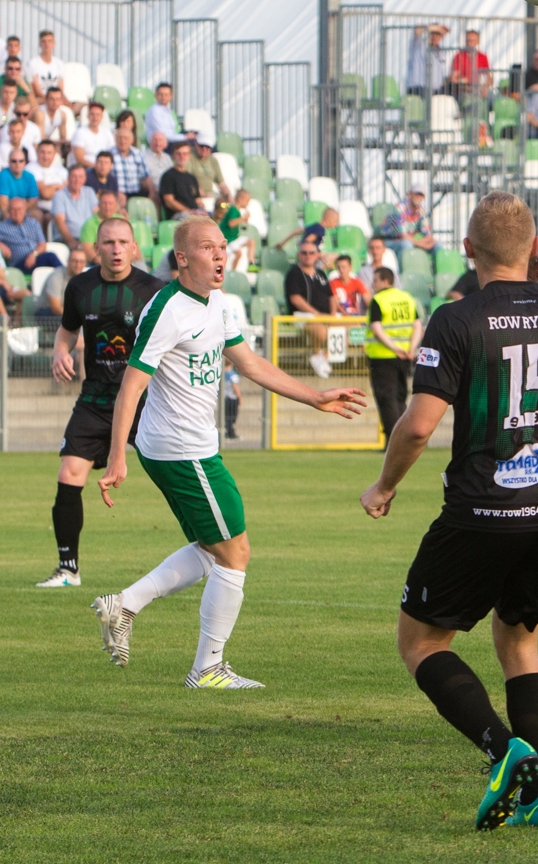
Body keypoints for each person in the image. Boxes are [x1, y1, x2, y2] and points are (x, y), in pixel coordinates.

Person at [357, 191, 538, 828]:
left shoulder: (455, 319)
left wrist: (384, 485)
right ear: (537, 250)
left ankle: (503, 750)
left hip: (481, 508)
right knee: (519, 642)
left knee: (423, 642)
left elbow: (419, 426)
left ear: (468, 250)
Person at [91, 217, 367, 685]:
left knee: (211, 546)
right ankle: (208, 668)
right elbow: (131, 386)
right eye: (207, 248)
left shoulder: (216, 303)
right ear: (182, 258)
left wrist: (314, 396)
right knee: (235, 552)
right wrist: (117, 455)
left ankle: (126, 604)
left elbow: (250, 363)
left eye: (222, 247)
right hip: (181, 449)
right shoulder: (167, 308)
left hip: (186, 446)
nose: (220, 256)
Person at [30, 218, 167, 587]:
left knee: (175, 473)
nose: (117, 249)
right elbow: (67, 331)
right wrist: (60, 353)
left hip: (143, 400)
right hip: (94, 399)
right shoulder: (80, 286)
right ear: (96, 249)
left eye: (124, 242)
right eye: (109, 242)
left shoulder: (154, 291)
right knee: (69, 474)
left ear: (135, 248)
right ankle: (68, 569)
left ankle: (209, 550)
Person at [364, 266, 421, 444]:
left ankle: (394, 441)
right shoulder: (407, 298)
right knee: (400, 397)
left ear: (384, 281)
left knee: (386, 398)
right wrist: (411, 348)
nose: (373, 284)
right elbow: (418, 325)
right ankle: (406, 439)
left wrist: (394, 347)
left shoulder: (379, 300)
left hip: (383, 357)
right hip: (405, 357)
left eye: (375, 280)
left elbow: (376, 329)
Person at [286, 238, 339, 377]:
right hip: (303, 315)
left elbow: (331, 296)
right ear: (299, 255)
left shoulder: (320, 274)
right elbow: (295, 299)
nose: (308, 255)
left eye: (311, 253)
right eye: (304, 253)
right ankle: (317, 353)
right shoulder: (294, 274)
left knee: (353, 326)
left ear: (317, 255)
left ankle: (323, 357)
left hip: (324, 315)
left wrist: (333, 314)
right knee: (320, 330)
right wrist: (317, 314)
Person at [156, 142, 203, 220]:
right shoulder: (167, 176)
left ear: (189, 155)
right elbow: (169, 202)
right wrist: (190, 212)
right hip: (178, 216)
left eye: (185, 154)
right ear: (173, 155)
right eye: (178, 154)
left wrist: (202, 210)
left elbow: (198, 200)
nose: (182, 157)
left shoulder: (191, 177)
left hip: (194, 214)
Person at [219, 188, 253, 272]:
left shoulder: (236, 211)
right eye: (247, 201)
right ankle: (232, 272)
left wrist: (243, 220)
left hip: (234, 238)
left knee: (251, 242)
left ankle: (251, 263)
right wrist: (243, 218)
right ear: (240, 199)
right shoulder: (233, 209)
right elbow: (231, 223)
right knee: (238, 253)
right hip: (227, 239)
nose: (248, 204)